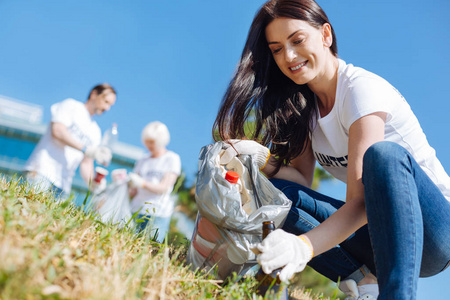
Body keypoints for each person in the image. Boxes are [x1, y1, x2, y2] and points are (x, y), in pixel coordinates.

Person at [214, 1, 450, 299]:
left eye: (297, 40)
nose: (288, 56)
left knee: (384, 157)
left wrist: (304, 246)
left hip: (435, 233)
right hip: (377, 234)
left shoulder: (360, 91)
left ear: (326, 35)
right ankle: (364, 284)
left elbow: (361, 202)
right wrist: (256, 158)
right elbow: (299, 180)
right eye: (276, 49)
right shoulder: (304, 110)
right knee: (272, 191)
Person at [23, 83, 116, 198]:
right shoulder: (71, 106)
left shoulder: (95, 131)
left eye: (110, 105)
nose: (107, 108)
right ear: (94, 94)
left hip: (63, 185)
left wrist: (94, 183)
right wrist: (85, 149)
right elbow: (57, 131)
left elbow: (86, 163)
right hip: (42, 172)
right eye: (106, 102)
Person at [128, 121, 181, 243]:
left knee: (151, 246)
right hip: (137, 209)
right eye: (147, 141)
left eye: (152, 142)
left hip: (158, 212)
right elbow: (132, 191)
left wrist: (143, 183)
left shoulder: (171, 158)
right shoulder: (143, 160)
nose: (148, 145)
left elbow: (164, 188)